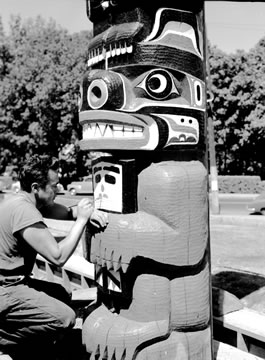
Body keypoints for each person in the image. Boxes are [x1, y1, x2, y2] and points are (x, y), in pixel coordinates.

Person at [0, 155, 108, 360]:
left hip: (12, 284)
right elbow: (58, 257)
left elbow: (67, 213)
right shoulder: (24, 211)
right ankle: (8, 339)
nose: (58, 190)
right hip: (6, 289)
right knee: (65, 319)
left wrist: (86, 213)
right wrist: (83, 220)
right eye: (54, 186)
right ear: (36, 187)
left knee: (62, 294)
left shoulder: (20, 200)